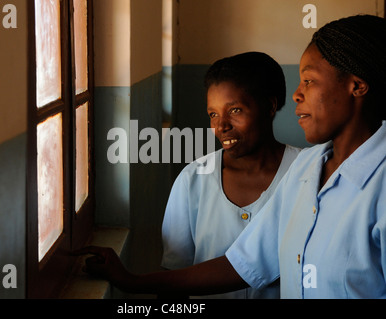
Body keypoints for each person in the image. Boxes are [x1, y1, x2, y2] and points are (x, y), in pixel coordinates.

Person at [76, 14, 386, 299]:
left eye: (309, 80)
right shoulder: (308, 169)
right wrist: (131, 282)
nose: (297, 94)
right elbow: (244, 263)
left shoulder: (377, 185)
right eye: (212, 113)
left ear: (356, 86)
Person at [160, 52, 301, 299]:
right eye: (213, 114)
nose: (221, 125)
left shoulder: (306, 173)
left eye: (235, 110)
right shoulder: (193, 180)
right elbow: (174, 276)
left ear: (270, 106)